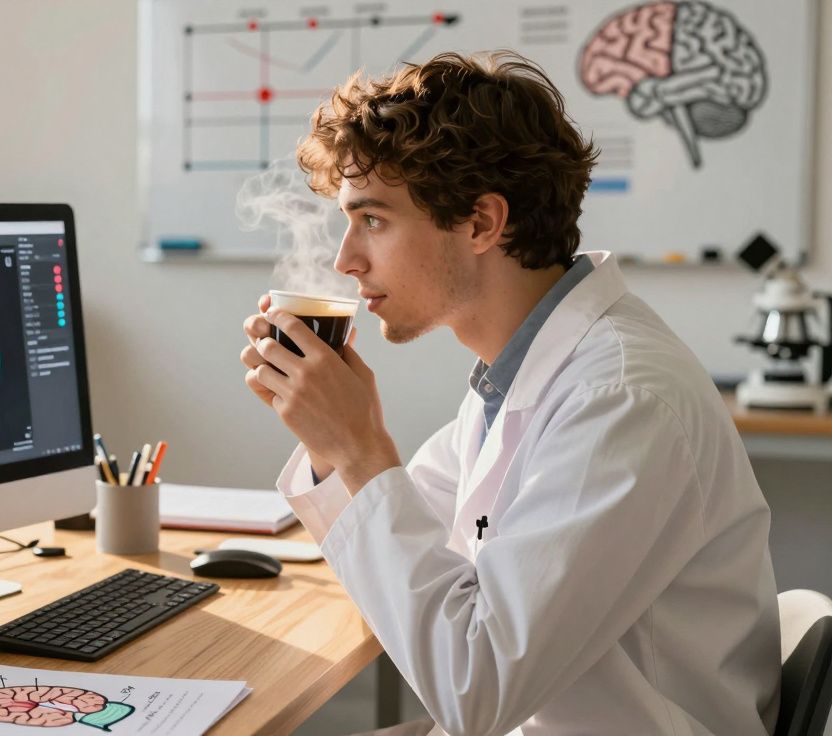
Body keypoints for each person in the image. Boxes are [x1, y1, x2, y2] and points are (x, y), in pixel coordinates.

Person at [241, 51, 779, 735]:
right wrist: (330, 443)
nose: (347, 259)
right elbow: (418, 534)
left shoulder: (619, 398)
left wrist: (359, 447)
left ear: (481, 224)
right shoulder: (517, 377)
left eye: (372, 220)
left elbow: (476, 691)